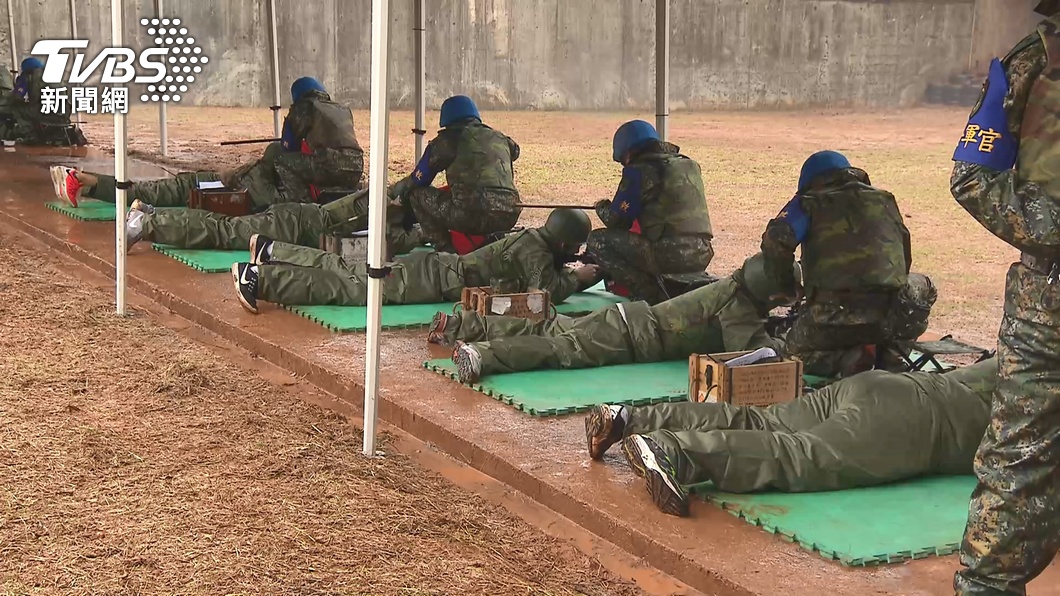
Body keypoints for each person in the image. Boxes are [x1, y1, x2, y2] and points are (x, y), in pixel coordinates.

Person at [949, 4, 1060, 594]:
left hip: (1048, 305)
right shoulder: (1034, 61)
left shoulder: (1034, 61)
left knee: (1017, 463)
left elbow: (972, 176)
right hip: (1048, 304)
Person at [585, 358, 997, 517]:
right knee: (802, 456)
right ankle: (677, 452)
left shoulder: (1034, 349)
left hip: (887, 384)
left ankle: (629, 418)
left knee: (762, 422)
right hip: (915, 423)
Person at [444, 252, 795, 384]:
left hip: (627, 321)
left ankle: (461, 325)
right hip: (628, 338)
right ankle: (483, 356)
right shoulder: (740, 308)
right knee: (557, 349)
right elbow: (753, 356)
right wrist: (789, 342)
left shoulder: (733, 289)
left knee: (554, 325)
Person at [49, 76, 361, 210]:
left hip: (249, 187)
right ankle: (87, 183)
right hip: (282, 183)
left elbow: (285, 147)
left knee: (172, 191)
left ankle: (87, 182)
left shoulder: (304, 109)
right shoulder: (339, 111)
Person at [230, 208, 601, 313]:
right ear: (565, 242)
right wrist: (582, 277)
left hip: (433, 270)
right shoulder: (535, 251)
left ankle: (272, 252)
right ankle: (262, 280)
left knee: (348, 271)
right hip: (431, 281)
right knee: (351, 288)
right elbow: (545, 291)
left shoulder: (534, 242)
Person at [760, 150, 912, 378]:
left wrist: (786, 288)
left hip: (829, 315)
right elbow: (904, 256)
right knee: (921, 288)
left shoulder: (808, 203)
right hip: (887, 315)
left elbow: (776, 238)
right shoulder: (885, 200)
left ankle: (843, 360)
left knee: (793, 357)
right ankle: (891, 355)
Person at [586, 120, 714, 305]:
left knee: (597, 241)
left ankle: (648, 294)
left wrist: (602, 206)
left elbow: (617, 221)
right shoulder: (689, 165)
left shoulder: (641, 170)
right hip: (702, 251)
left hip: (669, 254)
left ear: (629, 152)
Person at [389, 95, 522, 252]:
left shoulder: (448, 140)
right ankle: (492, 243)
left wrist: (401, 200)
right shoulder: (501, 138)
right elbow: (515, 151)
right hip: (509, 213)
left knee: (417, 195)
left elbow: (419, 179)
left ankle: (445, 252)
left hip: (469, 214)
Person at [121, 190, 423, 256]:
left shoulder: (382, 201)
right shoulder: (395, 225)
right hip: (294, 226)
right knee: (223, 230)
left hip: (298, 218)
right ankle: (145, 223)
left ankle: (152, 212)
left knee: (223, 226)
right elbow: (407, 240)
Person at [7, 57, 87, 146]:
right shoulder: (54, 75)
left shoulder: (28, 75)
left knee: (17, 109)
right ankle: (68, 134)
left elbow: (16, 97)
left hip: (43, 113)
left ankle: (30, 136)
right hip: (64, 113)